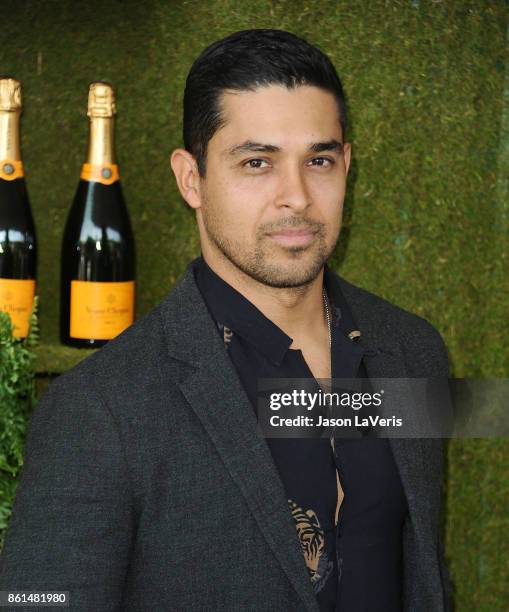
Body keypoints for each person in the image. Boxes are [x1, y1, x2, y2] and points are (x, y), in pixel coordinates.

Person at [0, 29, 452, 611]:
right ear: (192, 179)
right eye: (257, 162)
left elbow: (422, 575)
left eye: (319, 160)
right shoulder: (98, 411)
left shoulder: (413, 352)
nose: (296, 196)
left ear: (348, 167)